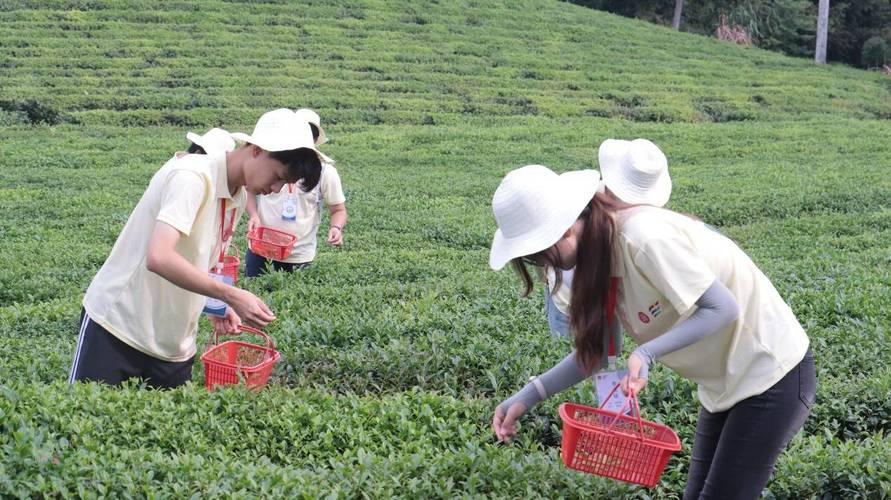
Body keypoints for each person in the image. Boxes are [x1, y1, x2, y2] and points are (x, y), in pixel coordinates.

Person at [488, 162, 815, 499]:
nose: (545, 265)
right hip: (722, 383)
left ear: (567, 228)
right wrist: (528, 396)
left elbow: (723, 307)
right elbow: (598, 351)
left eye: (541, 254)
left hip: (771, 370)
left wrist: (647, 352)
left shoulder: (643, 237)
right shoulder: (592, 256)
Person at [69, 108, 325, 388]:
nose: (275, 189)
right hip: (117, 327)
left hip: (174, 344)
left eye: (284, 184)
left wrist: (217, 305)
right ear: (255, 150)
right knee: (86, 426)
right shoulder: (192, 176)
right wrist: (232, 294)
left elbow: (199, 258)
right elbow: (159, 256)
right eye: (277, 177)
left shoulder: (237, 195)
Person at [545, 138, 672, 338]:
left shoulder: (636, 227)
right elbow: (544, 233)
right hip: (564, 295)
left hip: (607, 301)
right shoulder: (578, 195)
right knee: (565, 348)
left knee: (605, 357)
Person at [244, 108, 347, 276]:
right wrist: (254, 215)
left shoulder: (326, 172)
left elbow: (338, 209)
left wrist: (336, 227)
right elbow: (249, 189)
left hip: (299, 256)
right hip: (260, 249)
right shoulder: (271, 162)